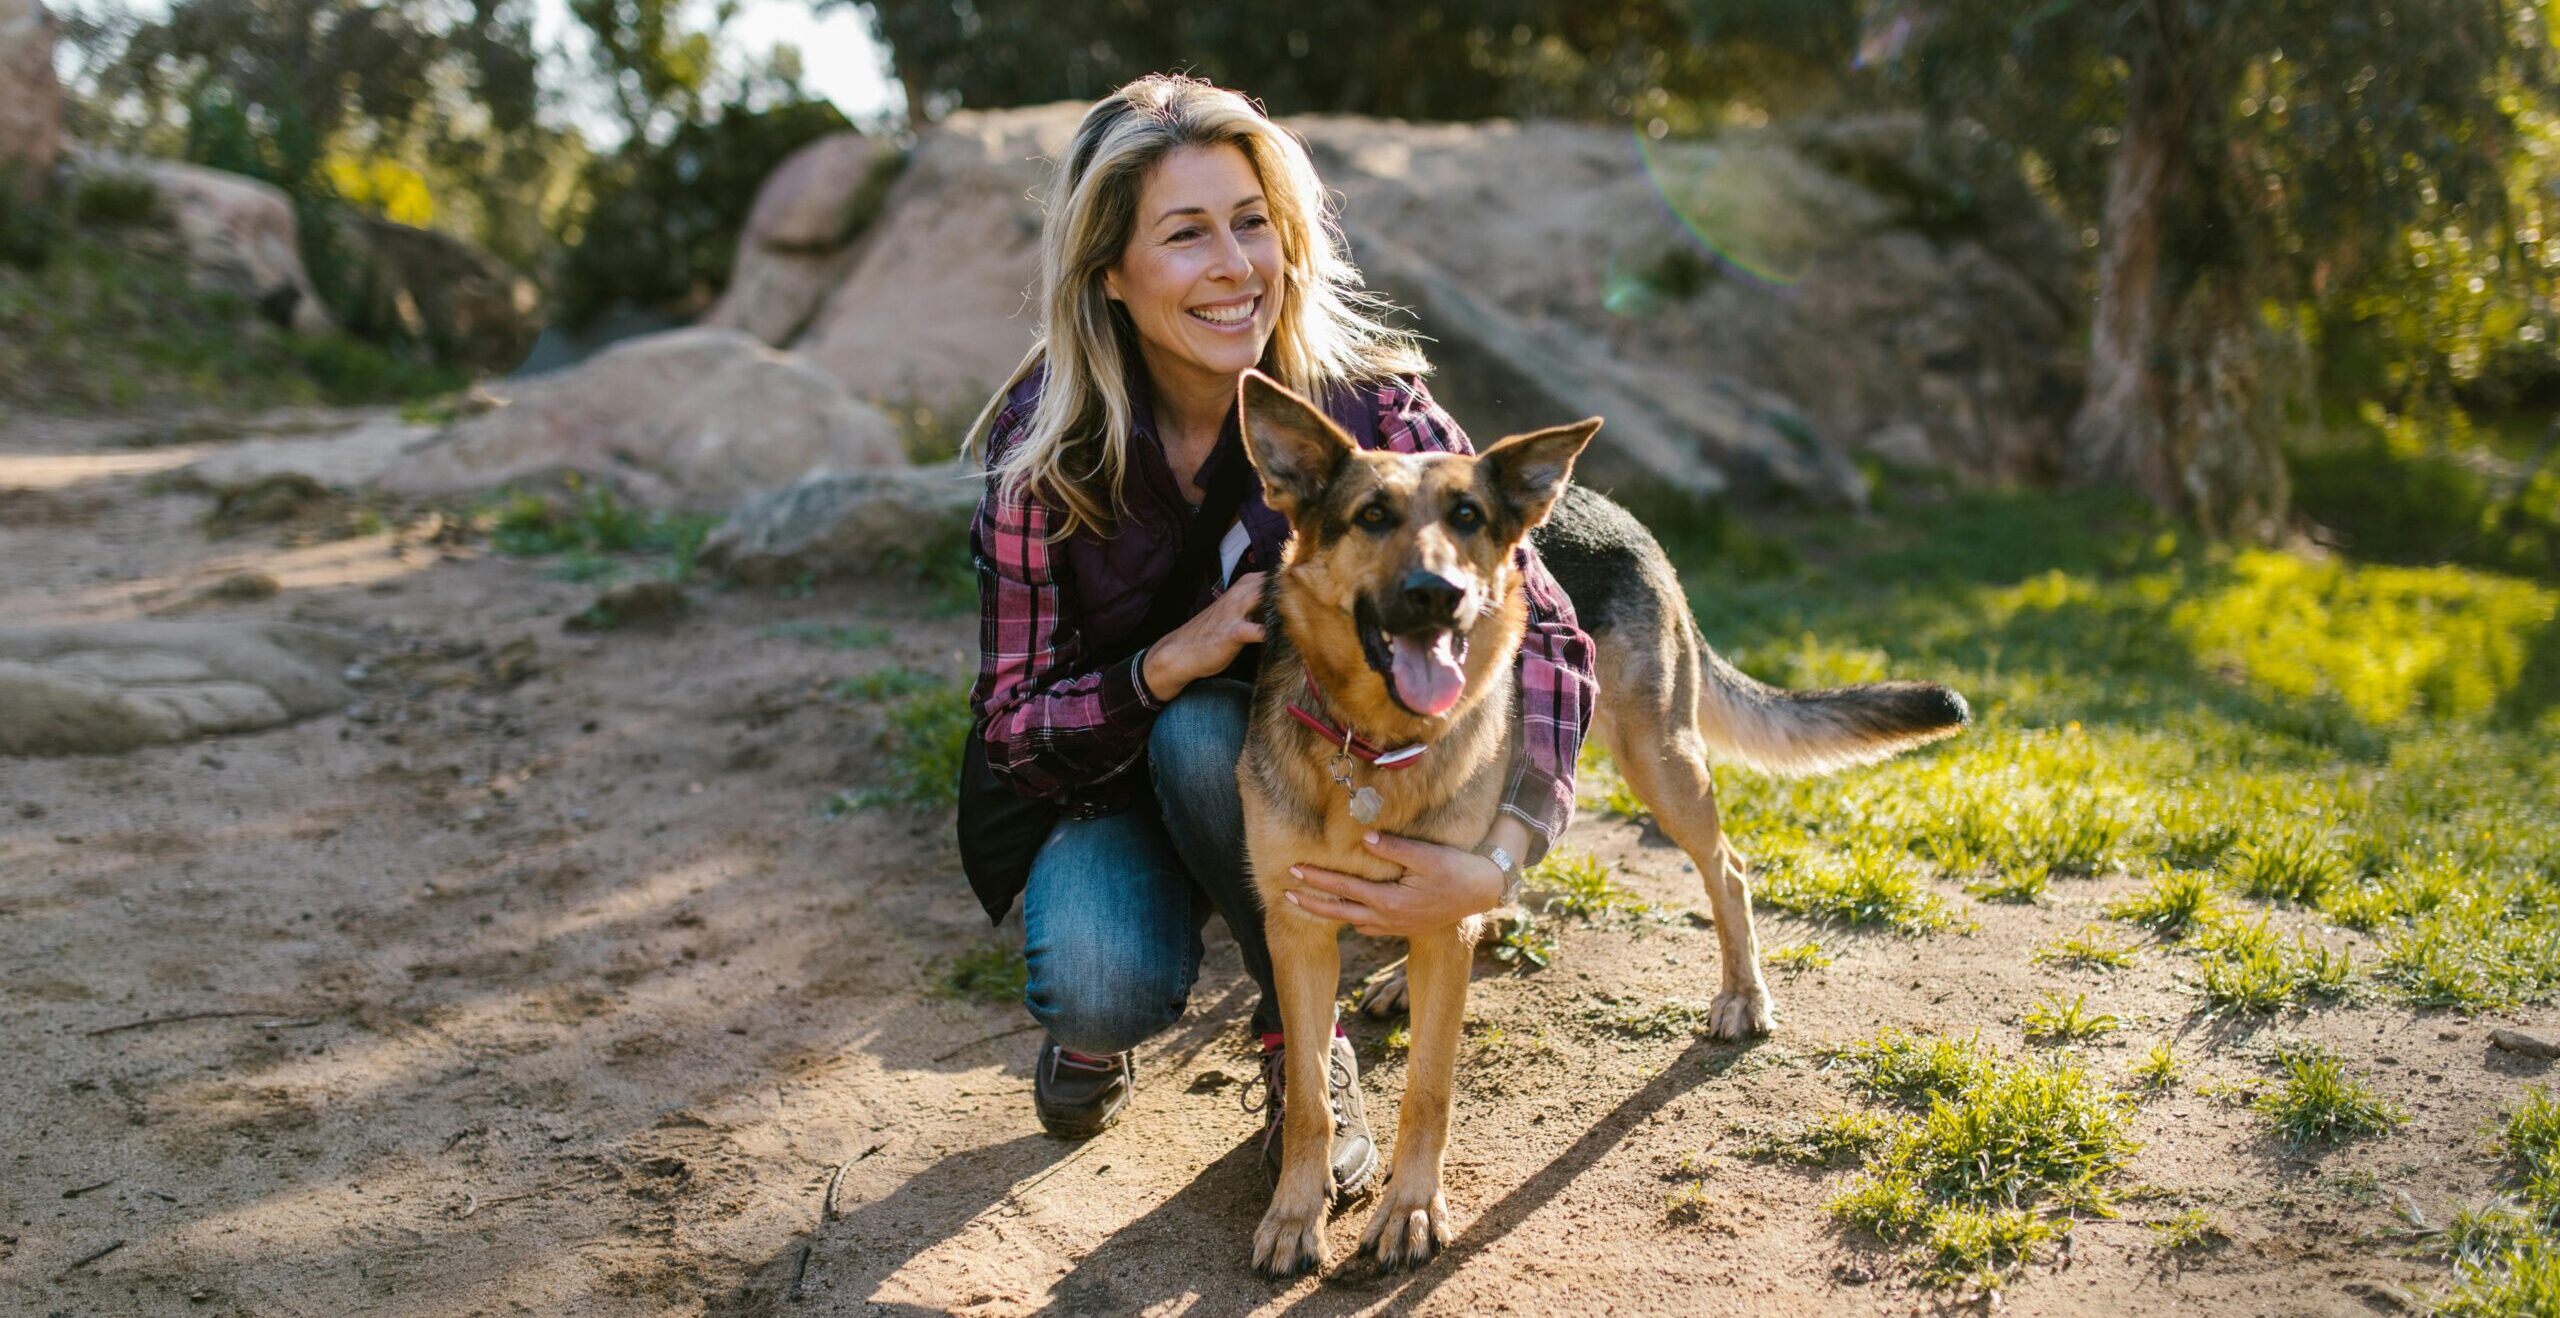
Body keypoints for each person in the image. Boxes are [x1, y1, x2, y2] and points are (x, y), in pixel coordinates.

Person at [962, 73, 1594, 1190]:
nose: (1233, 265)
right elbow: (1012, 729)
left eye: (1253, 223)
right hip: (1115, 782)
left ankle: (1299, 1043)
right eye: (1185, 234)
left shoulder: (1378, 412)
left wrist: (1501, 860)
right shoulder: (1043, 453)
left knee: (1218, 740)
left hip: (1293, 775)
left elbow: (1543, 632)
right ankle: (1131, 987)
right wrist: (1168, 661)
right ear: (1110, 271)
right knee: (1103, 980)